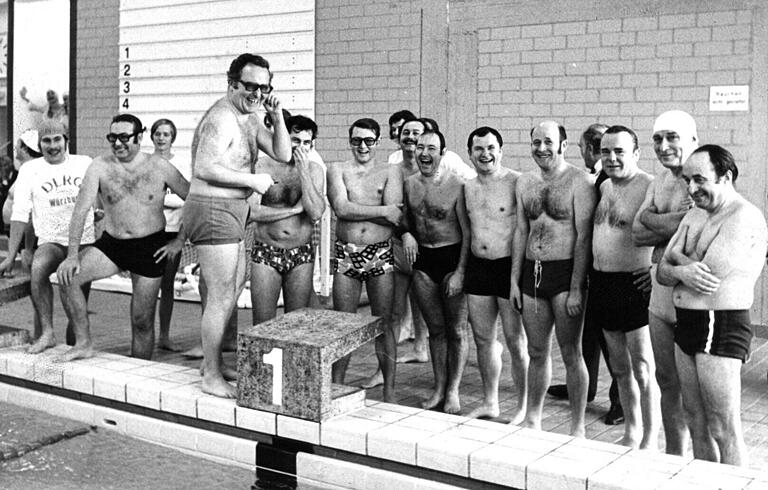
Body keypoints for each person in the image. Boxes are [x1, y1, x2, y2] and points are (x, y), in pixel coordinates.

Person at [182, 53, 288, 397]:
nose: (256, 93)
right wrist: (251, 180)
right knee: (221, 293)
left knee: (230, 289)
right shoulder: (222, 118)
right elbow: (203, 167)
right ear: (232, 84)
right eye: (250, 86)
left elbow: (283, 153)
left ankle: (213, 363)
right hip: (213, 208)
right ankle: (211, 374)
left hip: (233, 209)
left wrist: (275, 117)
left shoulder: (250, 118)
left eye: (263, 87)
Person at [657, 144, 767, 466]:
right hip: (688, 322)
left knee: (723, 428)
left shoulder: (743, 216)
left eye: (700, 180)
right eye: (687, 180)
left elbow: (707, 275)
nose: (691, 189)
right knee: (696, 423)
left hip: (720, 323)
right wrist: (679, 267)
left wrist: (675, 259)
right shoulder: (696, 213)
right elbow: (664, 274)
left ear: (726, 177)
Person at [56, 113, 189, 363]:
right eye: (113, 138)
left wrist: (180, 240)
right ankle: (83, 342)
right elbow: (80, 209)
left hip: (150, 246)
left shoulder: (160, 166)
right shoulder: (99, 166)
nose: (118, 143)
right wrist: (72, 255)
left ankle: (139, 368)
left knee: (141, 321)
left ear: (139, 137)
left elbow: (193, 199)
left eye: (124, 137)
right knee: (69, 277)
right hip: (112, 244)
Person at [511, 121, 595, 436]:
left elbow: (583, 237)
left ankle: (577, 426)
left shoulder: (580, 181)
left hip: (565, 274)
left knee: (571, 352)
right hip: (532, 275)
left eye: (548, 142)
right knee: (536, 351)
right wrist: (513, 281)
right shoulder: (525, 182)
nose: (542, 148)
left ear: (562, 144)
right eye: (536, 142)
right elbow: (521, 231)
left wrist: (576, 287)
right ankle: (533, 418)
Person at [548, 122, 625, 426]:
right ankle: (584, 386)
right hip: (591, 269)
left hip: (610, 273)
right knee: (588, 334)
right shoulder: (598, 178)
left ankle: (620, 402)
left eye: (582, 149)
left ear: (588, 149)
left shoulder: (608, 180)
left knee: (611, 341)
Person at [631, 110, 698, 455]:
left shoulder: (702, 179)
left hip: (689, 294)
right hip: (660, 293)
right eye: (658, 138)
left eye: (673, 137)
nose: (664, 145)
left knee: (693, 391)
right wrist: (678, 218)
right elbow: (638, 233)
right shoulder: (659, 182)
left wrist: (654, 218)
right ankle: (673, 459)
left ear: (692, 142)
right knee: (666, 381)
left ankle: (701, 468)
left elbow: (695, 232)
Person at [0, 120, 94, 353]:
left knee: (75, 297)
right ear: (40, 144)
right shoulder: (30, 170)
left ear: (66, 140)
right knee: (39, 268)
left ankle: (77, 344)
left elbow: (101, 194)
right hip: (51, 240)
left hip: (83, 242)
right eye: (46, 141)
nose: (52, 146)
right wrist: (11, 256)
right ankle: (47, 333)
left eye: (57, 139)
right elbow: (21, 214)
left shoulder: (84, 164)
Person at [591, 125, 658, 448]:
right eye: (606, 151)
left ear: (636, 153)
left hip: (633, 285)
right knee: (619, 369)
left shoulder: (650, 186)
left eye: (619, 151)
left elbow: (678, 226)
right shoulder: (605, 186)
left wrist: (657, 267)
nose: (612, 158)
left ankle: (650, 436)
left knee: (643, 368)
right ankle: (632, 430)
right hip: (603, 284)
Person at [327, 118, 402, 403]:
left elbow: (395, 214)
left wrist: (363, 210)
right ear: (350, 141)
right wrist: (381, 210)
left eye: (369, 140)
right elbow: (341, 208)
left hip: (379, 253)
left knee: (384, 324)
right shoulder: (337, 169)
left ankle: (389, 391)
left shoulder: (390, 171)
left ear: (378, 142)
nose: (363, 146)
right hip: (347, 253)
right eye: (357, 140)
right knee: (343, 325)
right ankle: (336, 386)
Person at [401, 130, 470, 414]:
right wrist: (406, 233)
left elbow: (468, 233)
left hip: (452, 257)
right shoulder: (409, 184)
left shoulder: (458, 186)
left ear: (443, 153)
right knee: (436, 330)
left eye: (432, 148)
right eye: (420, 147)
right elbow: (405, 218)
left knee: (456, 330)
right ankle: (439, 387)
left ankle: (453, 390)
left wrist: (461, 272)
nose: (425, 153)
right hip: (423, 260)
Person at [463, 126, 528, 422]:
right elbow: (467, 232)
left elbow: (523, 231)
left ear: (501, 151)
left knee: (516, 341)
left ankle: (523, 406)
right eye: (479, 149)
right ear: (470, 153)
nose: (485, 154)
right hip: (479, 266)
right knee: (483, 339)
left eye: (491, 148)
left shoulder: (516, 182)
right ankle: (491, 402)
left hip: (508, 267)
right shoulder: (468, 186)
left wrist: (516, 278)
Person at [248, 114, 325, 323]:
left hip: (301, 253)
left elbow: (316, 212)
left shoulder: (315, 170)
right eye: (295, 140)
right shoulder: (262, 166)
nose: (301, 147)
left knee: (296, 323)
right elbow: (251, 212)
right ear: (283, 139)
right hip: (266, 250)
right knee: (263, 323)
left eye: (307, 143)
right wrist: (292, 211)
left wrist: (303, 172)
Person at [151, 118, 191, 352]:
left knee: (167, 283)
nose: (161, 138)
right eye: (158, 133)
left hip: (172, 231)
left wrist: (162, 200)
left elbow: (187, 198)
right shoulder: (145, 162)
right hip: (149, 231)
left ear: (172, 138)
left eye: (166, 134)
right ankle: (147, 332)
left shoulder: (182, 164)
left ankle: (164, 335)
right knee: (145, 284)